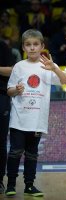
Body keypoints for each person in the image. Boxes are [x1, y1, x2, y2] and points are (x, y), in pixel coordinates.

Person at [5, 29, 66, 197]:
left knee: (32, 154)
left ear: (42, 46)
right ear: (23, 47)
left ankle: (29, 185)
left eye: (35, 44)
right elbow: (9, 90)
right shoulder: (19, 67)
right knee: (15, 152)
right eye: (28, 45)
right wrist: (16, 90)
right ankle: (10, 184)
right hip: (19, 119)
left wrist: (54, 69)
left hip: (37, 120)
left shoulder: (47, 65)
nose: (32, 48)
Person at [0, 38, 14, 194]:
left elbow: (11, 70)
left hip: (1, 95)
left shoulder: (3, 46)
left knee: (1, 141)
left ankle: (0, 181)